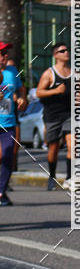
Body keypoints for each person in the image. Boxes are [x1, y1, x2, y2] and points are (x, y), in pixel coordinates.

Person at [36, 42, 72, 191]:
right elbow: (39, 92)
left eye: (67, 50)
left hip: (70, 114)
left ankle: (70, 178)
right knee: (54, 147)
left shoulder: (73, 72)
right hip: (53, 115)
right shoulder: (49, 73)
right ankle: (52, 176)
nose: (66, 53)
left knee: (73, 144)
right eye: (62, 51)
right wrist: (56, 91)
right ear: (55, 55)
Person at [0, 42, 27, 205]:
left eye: (6, 53)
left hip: (8, 122)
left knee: (9, 154)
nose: (5, 56)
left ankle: (1, 192)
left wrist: (23, 98)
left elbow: (21, 88)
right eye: (2, 53)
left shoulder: (12, 71)